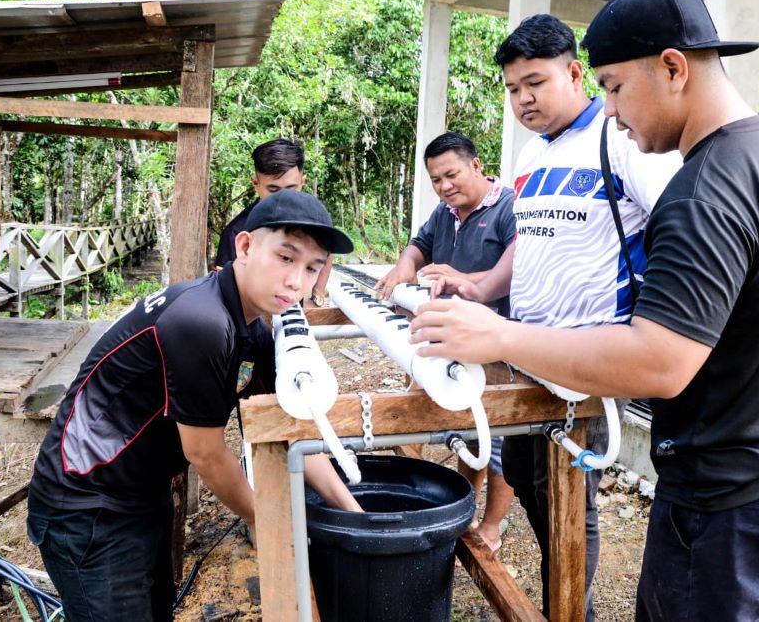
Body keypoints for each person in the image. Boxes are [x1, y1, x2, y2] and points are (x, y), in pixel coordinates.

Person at [412, 0, 759, 622]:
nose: (611, 110)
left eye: (613, 87)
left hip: (736, 483)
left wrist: (500, 337)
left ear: (673, 68)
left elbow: (658, 362)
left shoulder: (703, 190)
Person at [432, 14, 680, 621]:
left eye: (535, 83)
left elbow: (678, 224)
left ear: (575, 73)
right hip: (524, 355)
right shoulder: (530, 151)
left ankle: (572, 610)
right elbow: (531, 238)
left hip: (583, 365)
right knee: (526, 480)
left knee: (572, 504)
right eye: (513, 89)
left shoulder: (622, 140)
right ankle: (554, 592)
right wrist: (483, 285)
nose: (523, 100)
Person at [27, 189, 363, 622]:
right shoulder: (201, 321)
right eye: (285, 258)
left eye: (312, 268)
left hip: (142, 493)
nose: (297, 281)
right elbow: (204, 453)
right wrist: (266, 521)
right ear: (245, 246)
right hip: (86, 504)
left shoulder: (251, 329)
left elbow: (286, 428)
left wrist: (355, 514)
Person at [374, 131, 517, 551]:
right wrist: (404, 268)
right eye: (436, 180)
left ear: (476, 166)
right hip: (456, 340)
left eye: (451, 175)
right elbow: (418, 246)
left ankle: (491, 527)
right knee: (468, 427)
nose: (444, 186)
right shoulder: (445, 212)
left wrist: (457, 278)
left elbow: (517, 270)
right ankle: (465, 511)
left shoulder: (509, 208)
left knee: (502, 437)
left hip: (500, 342)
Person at [215, 138, 332, 309]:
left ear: (302, 181)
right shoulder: (235, 232)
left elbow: (327, 252)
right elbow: (224, 292)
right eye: (273, 190)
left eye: (291, 188)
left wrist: (317, 296)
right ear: (256, 183)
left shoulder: (312, 222)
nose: (283, 198)